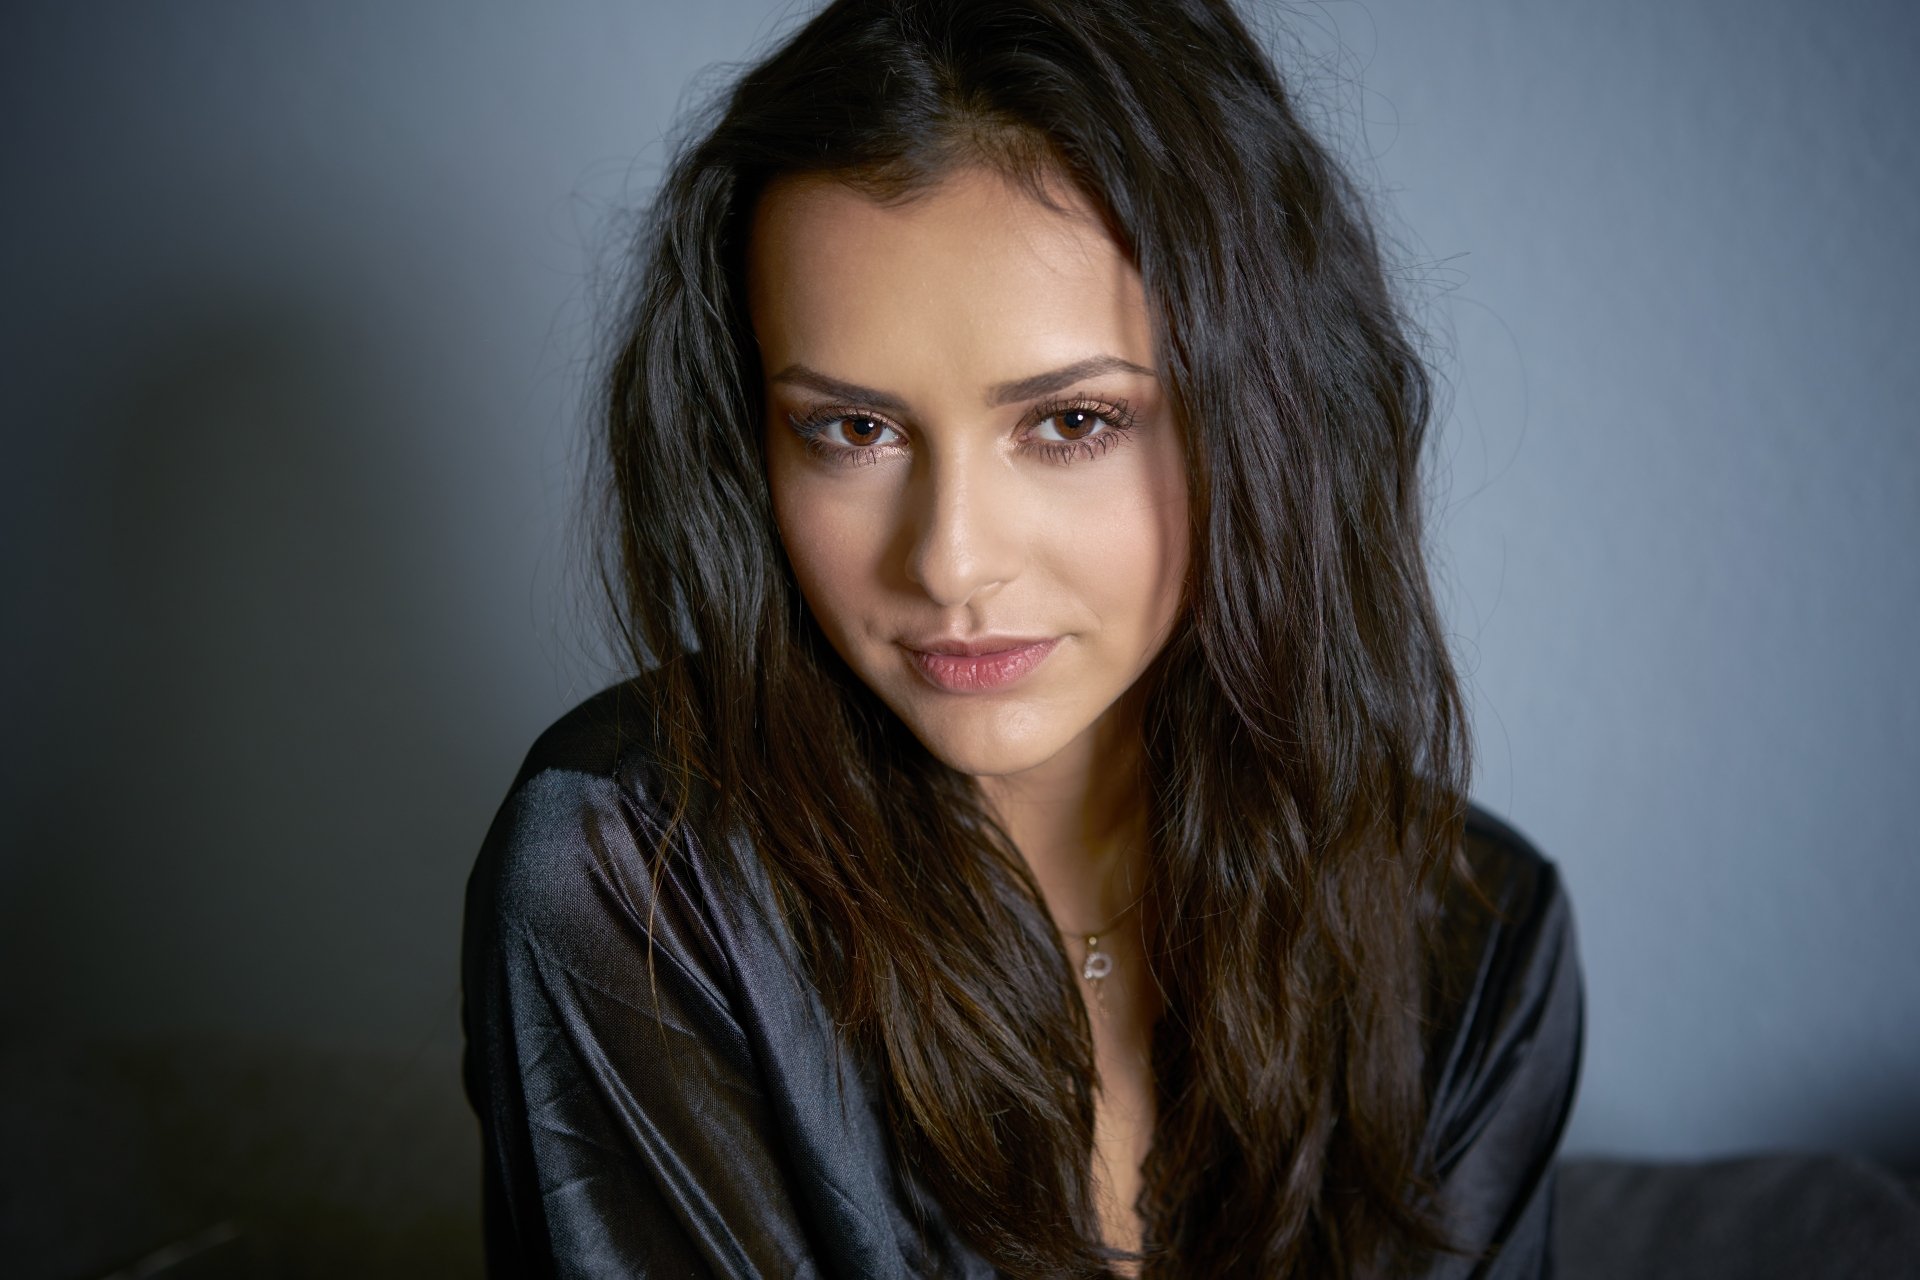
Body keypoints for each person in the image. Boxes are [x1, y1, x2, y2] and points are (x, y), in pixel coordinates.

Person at [460, 0, 1583, 1276]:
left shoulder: (1472, 939)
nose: (948, 560)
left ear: (1267, 420)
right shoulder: (632, 873)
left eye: (1071, 423)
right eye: (852, 430)